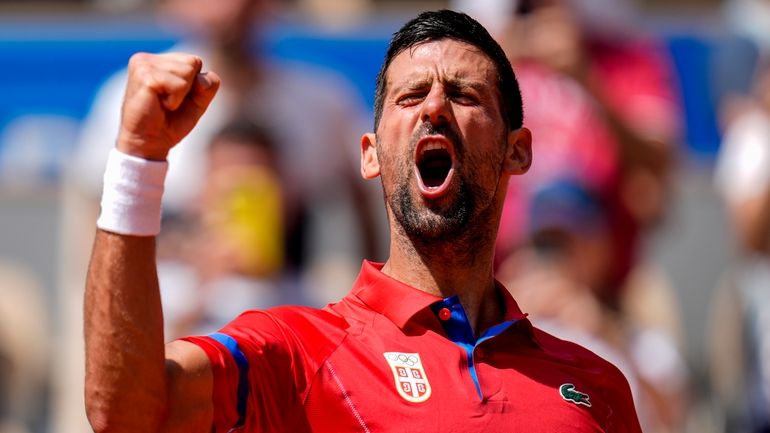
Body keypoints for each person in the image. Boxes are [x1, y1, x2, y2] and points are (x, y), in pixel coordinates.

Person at [83, 10, 641, 432]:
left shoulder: (598, 384)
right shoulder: (295, 351)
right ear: (370, 154)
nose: (434, 108)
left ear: (518, 152)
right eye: (411, 95)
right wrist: (138, 158)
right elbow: (127, 412)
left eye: (465, 94)